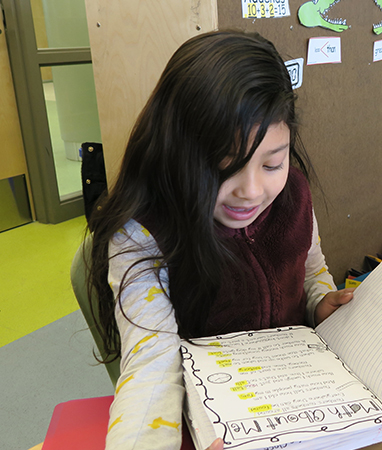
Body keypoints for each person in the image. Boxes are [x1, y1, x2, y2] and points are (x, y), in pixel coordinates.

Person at [85, 30, 353, 450]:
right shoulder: (144, 235)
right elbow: (151, 363)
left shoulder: (293, 193)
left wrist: (321, 302)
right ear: (177, 152)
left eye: (272, 163)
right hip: (214, 426)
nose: (250, 190)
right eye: (223, 166)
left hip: (301, 406)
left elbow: (312, 269)